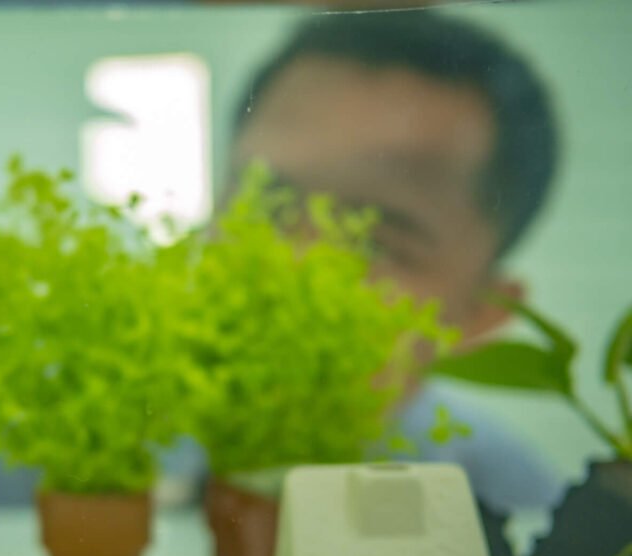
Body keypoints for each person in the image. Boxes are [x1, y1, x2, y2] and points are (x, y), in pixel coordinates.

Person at [162, 9, 566, 521]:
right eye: (266, 209)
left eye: (374, 244)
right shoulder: (63, 458)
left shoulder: (517, 513)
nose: (294, 268)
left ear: (479, 315)